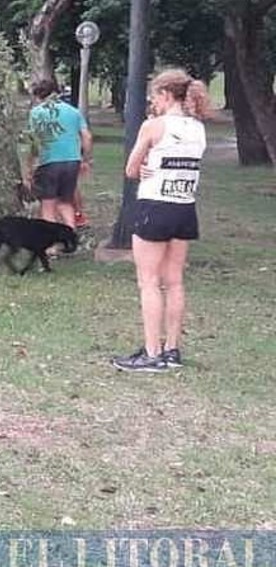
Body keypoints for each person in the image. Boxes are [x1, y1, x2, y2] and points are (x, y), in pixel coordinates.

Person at [112, 69, 210, 373]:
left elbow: (130, 168)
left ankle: (152, 353)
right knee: (175, 280)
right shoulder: (198, 128)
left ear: (166, 95)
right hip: (184, 208)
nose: (152, 102)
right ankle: (171, 350)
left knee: (149, 281)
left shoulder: (153, 126)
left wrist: (142, 167)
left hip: (154, 206)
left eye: (154, 96)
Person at [23, 77, 93, 231]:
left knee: (48, 206)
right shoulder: (73, 111)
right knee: (66, 202)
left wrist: (29, 168)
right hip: (72, 161)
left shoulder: (36, 113)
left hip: (49, 162)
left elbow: (33, 143)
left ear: (38, 96)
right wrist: (85, 159)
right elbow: (87, 136)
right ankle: (70, 239)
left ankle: (52, 245)